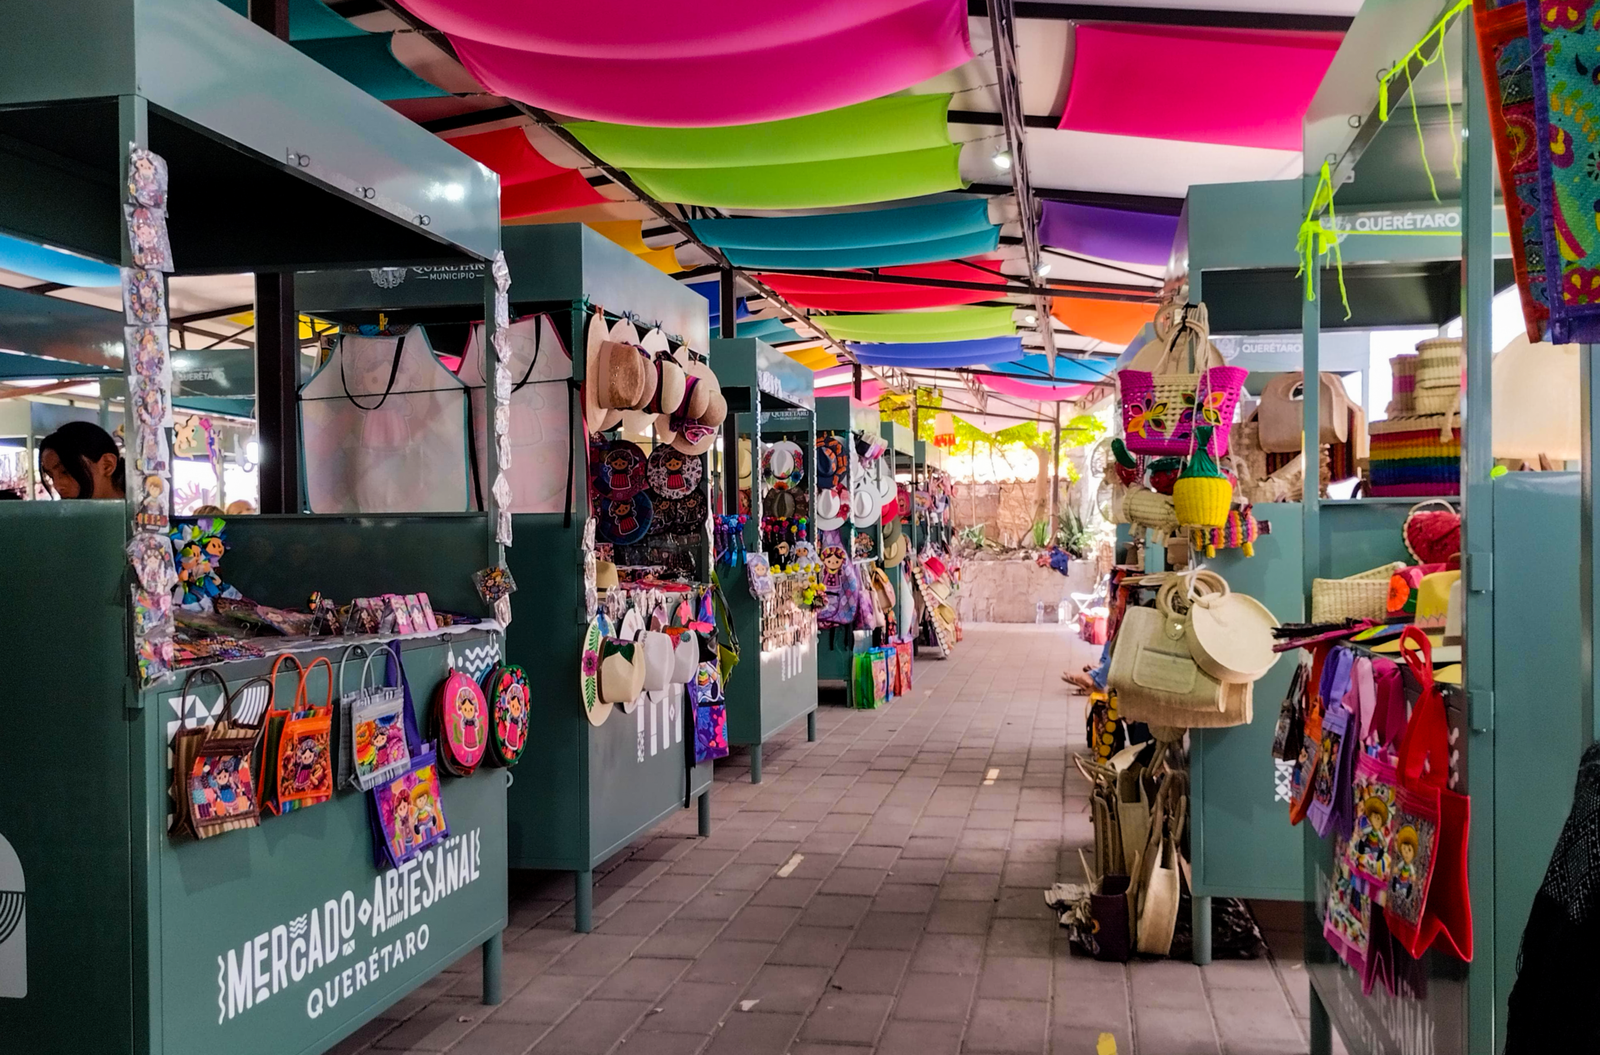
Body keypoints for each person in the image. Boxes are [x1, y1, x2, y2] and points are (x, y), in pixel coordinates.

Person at [38, 421, 125, 500]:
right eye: (51, 476)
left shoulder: (132, 511)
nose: (57, 486)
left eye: (66, 471)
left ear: (107, 465)